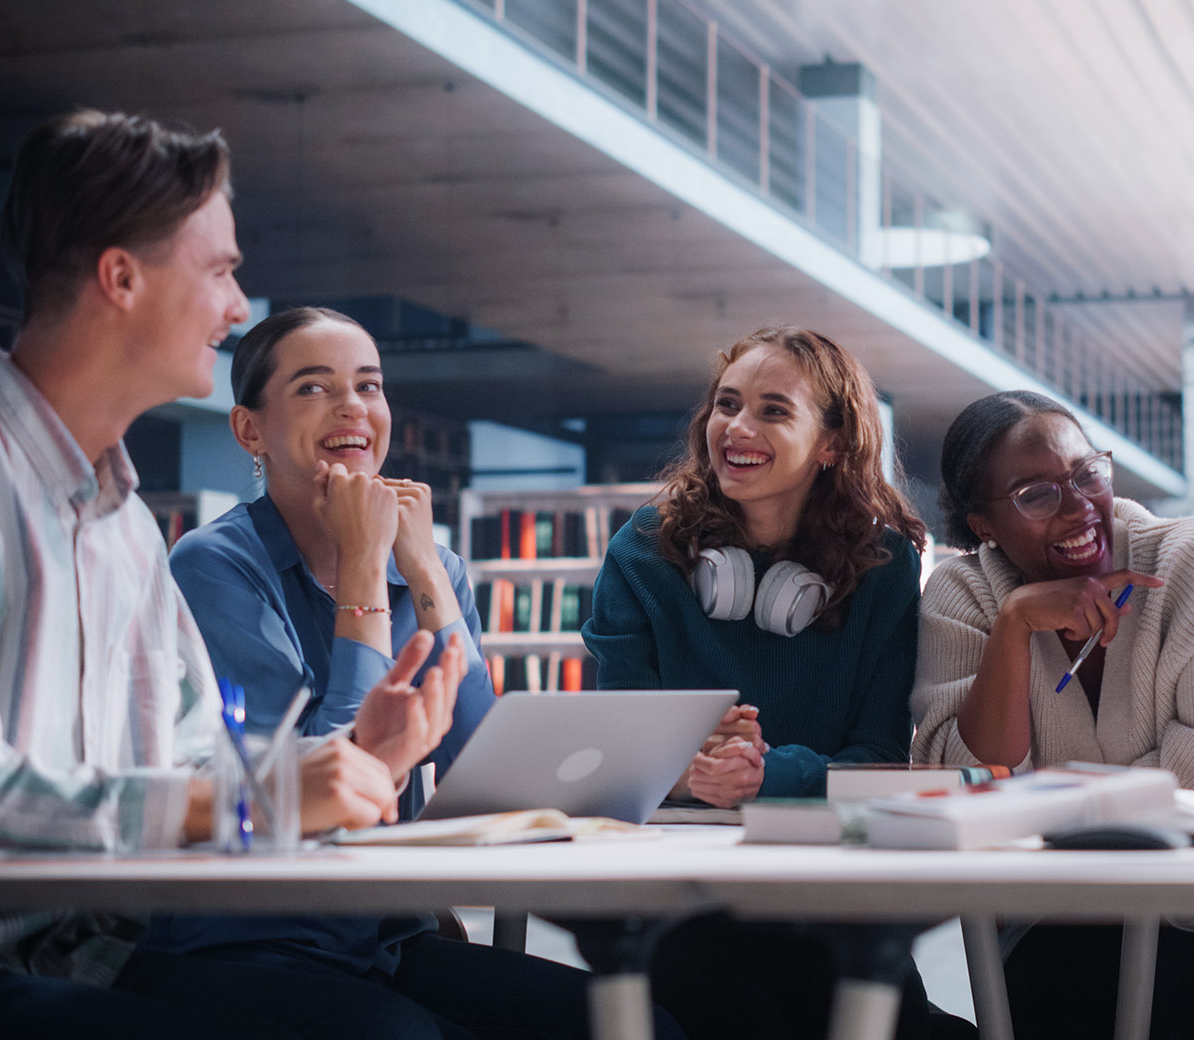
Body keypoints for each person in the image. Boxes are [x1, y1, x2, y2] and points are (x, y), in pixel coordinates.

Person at [0, 109, 482, 1040]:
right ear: (121, 279)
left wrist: (352, 755)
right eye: (220, 271)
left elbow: (202, 758)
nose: (238, 308)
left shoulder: (125, 524)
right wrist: (253, 795)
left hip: (111, 956)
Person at [152, 304, 666, 1040]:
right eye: (313, 388)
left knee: (628, 1022)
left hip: (381, 939)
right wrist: (363, 569)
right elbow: (314, 796)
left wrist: (425, 570)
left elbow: (483, 770)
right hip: (247, 942)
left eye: (369, 385)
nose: (353, 407)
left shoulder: (431, 561)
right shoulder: (213, 566)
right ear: (248, 430)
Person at [580, 326, 960, 1040]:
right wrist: (685, 775)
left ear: (832, 444)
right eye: (727, 404)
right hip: (678, 891)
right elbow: (618, 750)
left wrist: (766, 775)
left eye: (773, 410)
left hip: (827, 881)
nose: (737, 428)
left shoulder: (883, 569)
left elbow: (879, 759)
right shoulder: (644, 550)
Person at [912, 388, 1194, 1039]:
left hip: (1182, 909)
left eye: (1086, 475)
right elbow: (972, 780)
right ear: (982, 524)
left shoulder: (1181, 560)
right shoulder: (967, 591)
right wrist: (1014, 626)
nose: (1078, 509)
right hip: (1045, 918)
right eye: (1036, 495)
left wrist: (1048, 792)